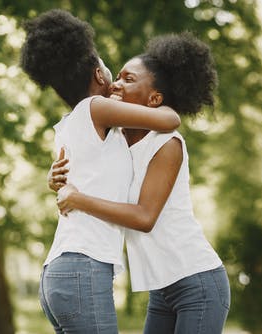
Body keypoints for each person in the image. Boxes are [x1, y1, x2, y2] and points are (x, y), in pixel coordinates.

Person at [54, 32, 230, 334]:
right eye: (117, 76)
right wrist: (54, 176)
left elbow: (145, 217)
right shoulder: (114, 141)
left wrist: (78, 198)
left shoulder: (166, 143)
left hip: (197, 283)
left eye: (129, 79)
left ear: (155, 99)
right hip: (161, 289)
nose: (116, 84)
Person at [20, 9, 180, 334]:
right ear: (99, 74)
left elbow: (74, 177)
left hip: (60, 271)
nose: (118, 82)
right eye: (113, 73)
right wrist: (155, 98)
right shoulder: (97, 108)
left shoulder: (68, 124)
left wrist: (56, 183)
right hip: (83, 268)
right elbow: (170, 120)